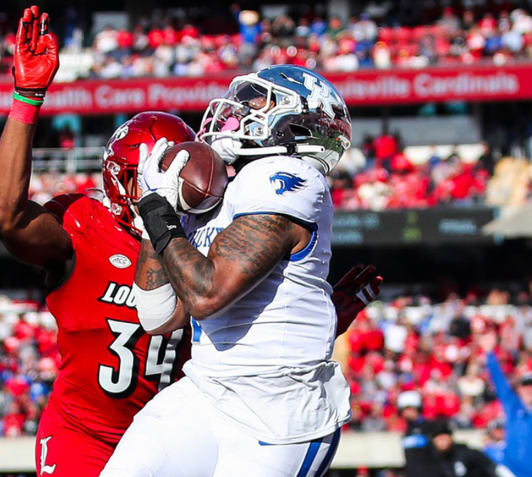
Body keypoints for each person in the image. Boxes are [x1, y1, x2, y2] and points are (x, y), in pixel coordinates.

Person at [102, 66, 370, 476]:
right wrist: (153, 221)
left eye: (254, 100)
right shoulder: (225, 183)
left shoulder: (289, 176)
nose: (236, 109)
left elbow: (207, 295)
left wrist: (157, 213)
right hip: (206, 389)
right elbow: (160, 317)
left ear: (296, 121)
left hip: (278, 415)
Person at [0, 7, 194, 475]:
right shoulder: (84, 224)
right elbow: (4, 215)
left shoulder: (206, 233)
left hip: (178, 438)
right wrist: (26, 97)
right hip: (85, 436)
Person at [479, 330, 532, 477]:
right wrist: (489, 354)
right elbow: (499, 382)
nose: (529, 389)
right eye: (525, 385)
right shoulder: (514, 407)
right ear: (519, 389)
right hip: (512, 472)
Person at [426, 419, 496, 477]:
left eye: (445, 435)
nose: (442, 439)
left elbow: (489, 468)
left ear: (451, 437)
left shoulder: (467, 454)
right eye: (438, 437)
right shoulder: (428, 459)